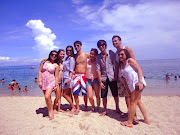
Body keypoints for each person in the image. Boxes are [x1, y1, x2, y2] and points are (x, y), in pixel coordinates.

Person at [118, 49, 150, 128]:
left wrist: (140, 82)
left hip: (137, 84)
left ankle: (129, 122)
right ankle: (146, 120)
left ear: (126, 55)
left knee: (132, 102)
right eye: (119, 55)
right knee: (138, 101)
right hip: (132, 86)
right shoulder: (122, 64)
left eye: (122, 54)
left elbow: (139, 70)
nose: (120, 56)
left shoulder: (130, 61)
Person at [112, 35, 137, 120]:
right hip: (122, 77)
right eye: (113, 41)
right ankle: (130, 112)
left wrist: (136, 76)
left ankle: (135, 116)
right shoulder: (116, 54)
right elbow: (117, 65)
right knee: (127, 96)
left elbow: (133, 61)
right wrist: (115, 76)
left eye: (116, 41)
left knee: (133, 97)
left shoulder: (127, 49)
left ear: (120, 41)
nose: (114, 43)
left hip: (130, 76)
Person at [96, 40, 120, 116]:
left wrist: (116, 75)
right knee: (104, 95)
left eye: (102, 45)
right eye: (99, 46)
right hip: (103, 78)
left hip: (112, 77)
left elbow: (116, 64)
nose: (101, 47)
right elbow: (98, 69)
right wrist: (100, 82)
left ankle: (117, 108)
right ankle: (105, 110)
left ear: (105, 45)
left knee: (115, 94)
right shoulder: (98, 57)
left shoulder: (111, 53)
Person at [38, 50, 59, 120]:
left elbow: (56, 77)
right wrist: (40, 81)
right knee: (48, 98)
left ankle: (50, 112)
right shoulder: (44, 61)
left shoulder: (56, 65)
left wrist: (56, 85)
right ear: (50, 54)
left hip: (51, 81)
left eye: (55, 55)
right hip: (44, 82)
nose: (54, 56)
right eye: (52, 54)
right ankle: (50, 109)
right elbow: (40, 71)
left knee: (47, 97)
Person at [73, 41, 90, 114]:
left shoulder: (86, 54)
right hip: (76, 75)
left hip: (83, 75)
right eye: (75, 46)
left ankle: (86, 106)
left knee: (84, 93)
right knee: (75, 92)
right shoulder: (74, 56)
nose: (76, 47)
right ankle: (78, 107)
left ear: (81, 46)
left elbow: (94, 60)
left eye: (78, 45)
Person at [62, 46, 76, 114]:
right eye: (67, 50)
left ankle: (73, 107)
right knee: (69, 93)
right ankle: (72, 107)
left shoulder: (72, 59)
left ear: (72, 51)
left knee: (64, 94)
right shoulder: (67, 58)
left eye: (70, 50)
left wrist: (69, 79)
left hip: (68, 77)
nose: (68, 52)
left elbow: (71, 70)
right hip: (65, 77)